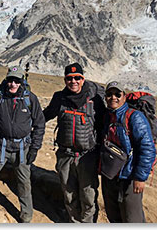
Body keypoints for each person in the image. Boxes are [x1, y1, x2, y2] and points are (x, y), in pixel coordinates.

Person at [0, 66, 45, 223]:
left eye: (17, 81)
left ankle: (26, 216)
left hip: (23, 147)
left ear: (22, 82)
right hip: (0, 145)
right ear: (6, 80)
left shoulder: (30, 99)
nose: (13, 84)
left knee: (24, 180)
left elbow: (40, 124)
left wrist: (35, 147)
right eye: (10, 80)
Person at [42, 62, 105, 223]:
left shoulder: (95, 99)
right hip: (65, 155)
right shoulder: (59, 98)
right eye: (69, 78)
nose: (73, 81)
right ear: (65, 80)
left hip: (87, 156)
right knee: (69, 195)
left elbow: (103, 125)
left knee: (88, 195)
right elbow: (46, 115)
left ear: (83, 79)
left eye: (78, 78)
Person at [101, 81, 156, 223]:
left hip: (130, 177)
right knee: (113, 215)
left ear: (124, 97)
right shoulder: (107, 116)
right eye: (109, 94)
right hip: (111, 175)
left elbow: (147, 149)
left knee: (133, 218)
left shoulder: (134, 117)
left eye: (117, 94)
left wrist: (140, 177)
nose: (113, 97)